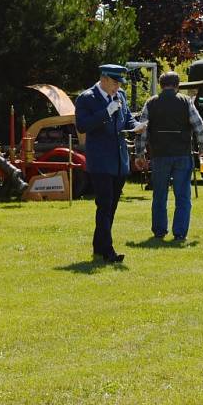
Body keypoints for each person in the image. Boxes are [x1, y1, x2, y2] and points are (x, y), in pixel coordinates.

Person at [75, 64, 145, 263]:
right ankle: (108, 251)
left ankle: (99, 246)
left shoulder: (120, 96)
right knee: (104, 204)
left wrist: (137, 127)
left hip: (119, 160)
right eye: (114, 83)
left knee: (111, 206)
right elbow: (82, 125)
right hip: (100, 161)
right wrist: (106, 112)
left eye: (119, 83)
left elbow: (128, 120)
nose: (117, 87)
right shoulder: (86, 98)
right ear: (104, 79)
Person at [134, 71, 203, 241]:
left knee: (159, 195)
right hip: (182, 153)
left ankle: (159, 231)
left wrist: (140, 154)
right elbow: (199, 127)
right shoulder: (186, 101)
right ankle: (180, 233)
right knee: (183, 196)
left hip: (159, 155)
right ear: (177, 85)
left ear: (161, 85)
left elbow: (141, 131)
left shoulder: (151, 103)